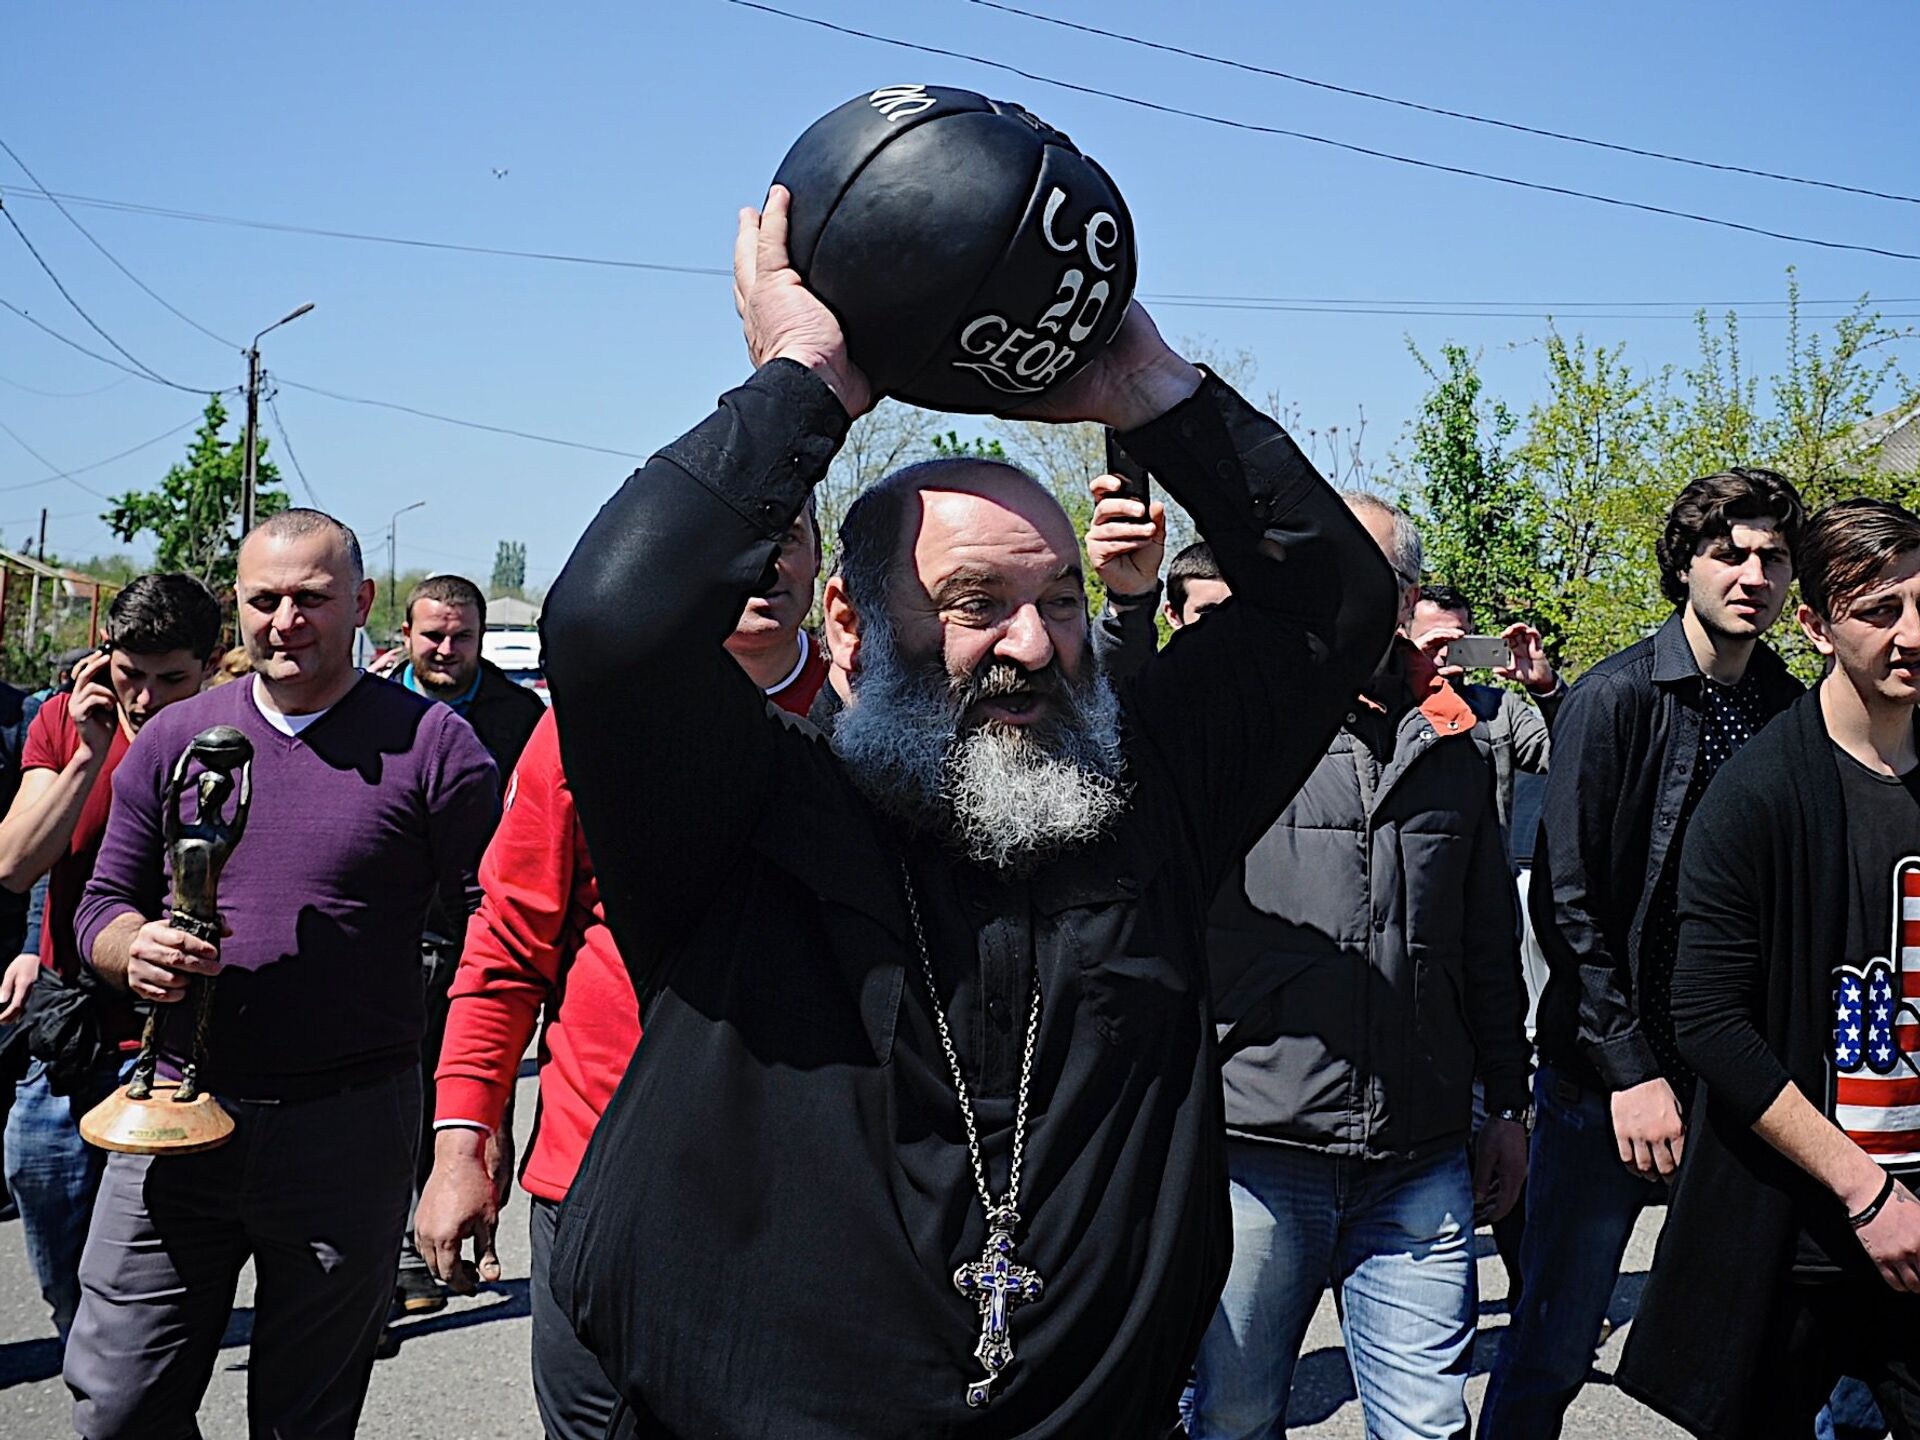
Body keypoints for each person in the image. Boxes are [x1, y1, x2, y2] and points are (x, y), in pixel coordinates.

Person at [533, 186, 1397, 1436]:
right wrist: (806, 383)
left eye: (1053, 598)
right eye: (974, 599)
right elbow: (609, 627)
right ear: (848, 621)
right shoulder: (741, 809)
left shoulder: (1142, 795)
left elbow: (1335, 608)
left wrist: (1154, 390)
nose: (1033, 646)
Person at [61, 509, 500, 1439]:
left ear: (361, 604)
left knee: (306, 1416)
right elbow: (97, 907)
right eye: (265, 600)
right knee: (117, 1403)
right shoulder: (176, 738)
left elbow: (496, 924)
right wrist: (131, 947)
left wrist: (468, 1118)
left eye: (312, 598)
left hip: (346, 1127)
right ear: (238, 606)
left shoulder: (435, 748)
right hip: (176, 1114)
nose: (286, 620)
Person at [415, 501, 827, 1440]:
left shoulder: (884, 721)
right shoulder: (590, 725)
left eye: (787, 538)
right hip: (600, 1182)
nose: (761, 564)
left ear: (820, 568)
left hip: (812, 1203)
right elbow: (510, 946)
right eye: (733, 539)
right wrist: (460, 1143)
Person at [1180, 497, 1530, 1440]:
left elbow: (1487, 942)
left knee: (1428, 1426)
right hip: (1257, 1147)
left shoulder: (1457, 742)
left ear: (1407, 599)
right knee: (1236, 1418)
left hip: (1419, 1156)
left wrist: (1507, 1103)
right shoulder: (1239, 719)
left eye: (1361, 575)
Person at [1480, 467, 1808, 1438]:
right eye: (1729, 553)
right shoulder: (1615, 698)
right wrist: (1630, 1073)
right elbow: (1570, 903)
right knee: (1551, 1344)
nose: (1753, 574)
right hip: (1602, 1088)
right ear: (1686, 568)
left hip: (1736, 1085)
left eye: (1774, 556)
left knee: (1744, 1348)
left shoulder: (1789, 708)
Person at [1615, 498, 1920, 1438]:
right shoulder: (1761, 792)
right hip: (1798, 1233)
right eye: (1881, 611)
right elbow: (1710, 1021)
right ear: (1816, 624)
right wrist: (1864, 1190)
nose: (1914, 635)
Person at [0, 575, 222, 1344]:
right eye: (131, 676)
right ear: (104, 663)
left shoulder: (230, 744)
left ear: (211, 666)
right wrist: (88, 759)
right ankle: (87, 1344)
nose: (146, 699)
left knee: (145, 1274)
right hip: (72, 1029)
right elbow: (15, 863)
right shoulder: (65, 725)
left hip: (173, 1045)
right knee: (39, 1180)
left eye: (171, 680)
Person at [375, 574, 545, 1318]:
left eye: (462, 636)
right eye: (432, 635)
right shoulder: (370, 709)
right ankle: (392, 1260)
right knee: (391, 1100)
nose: (446, 649)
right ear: (405, 635)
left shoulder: (519, 716)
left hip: (482, 932)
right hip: (386, 935)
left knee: (466, 1094)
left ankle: (453, 1227)